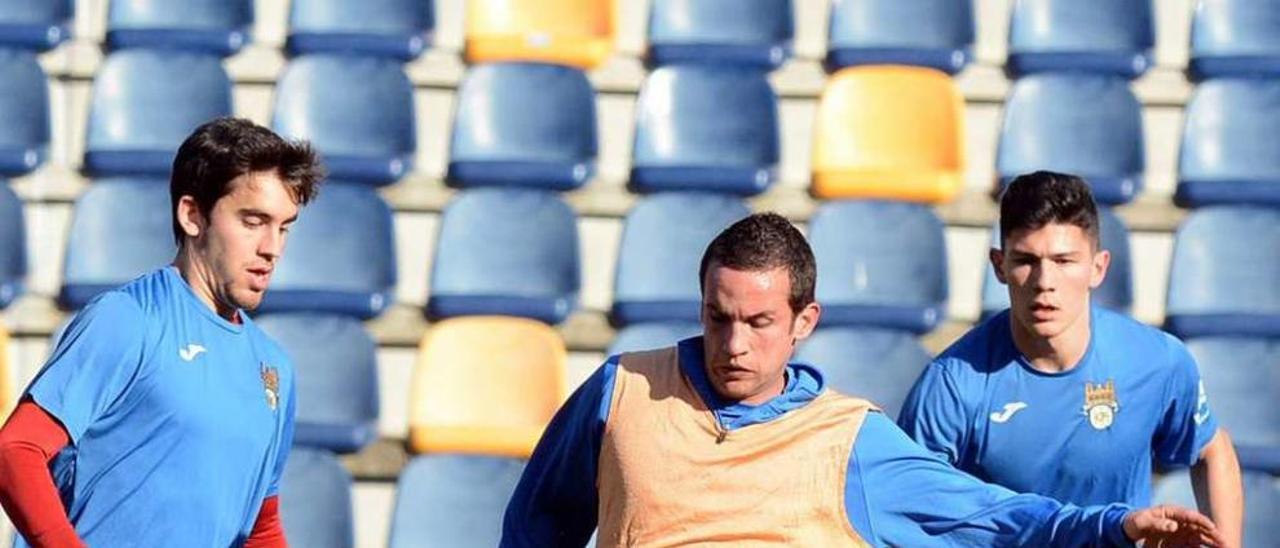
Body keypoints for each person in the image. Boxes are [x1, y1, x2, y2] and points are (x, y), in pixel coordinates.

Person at [502, 212, 1224, 547]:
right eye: (718, 317)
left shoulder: (850, 439)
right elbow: (537, 526)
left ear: (804, 320)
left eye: (758, 323)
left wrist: (1113, 527)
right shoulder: (621, 390)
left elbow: (995, 518)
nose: (733, 343)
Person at [0, 117, 324, 547]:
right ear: (192, 215)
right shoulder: (127, 320)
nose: (272, 247)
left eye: (283, 226)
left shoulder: (274, 368)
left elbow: (261, 527)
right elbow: (16, 452)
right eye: (252, 221)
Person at [898, 171, 1244, 546]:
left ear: (1098, 267)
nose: (1044, 281)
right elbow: (908, 508)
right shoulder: (951, 384)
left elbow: (1212, 449)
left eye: (1064, 261)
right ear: (999, 265)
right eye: (1026, 260)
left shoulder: (1157, 362)